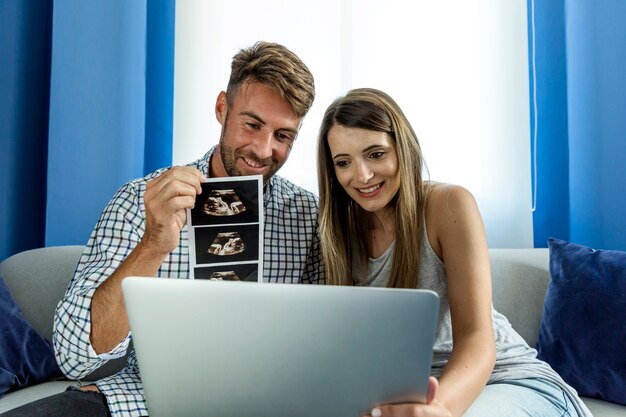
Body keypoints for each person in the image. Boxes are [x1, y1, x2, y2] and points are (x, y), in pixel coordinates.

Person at [3, 41, 324, 417]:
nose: (263, 149)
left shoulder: (307, 215)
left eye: (283, 135)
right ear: (222, 108)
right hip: (143, 401)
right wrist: (153, 244)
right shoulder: (140, 199)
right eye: (252, 124)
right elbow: (76, 358)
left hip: (267, 402)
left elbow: (323, 339)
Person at [316, 88, 592, 417]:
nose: (361, 175)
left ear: (402, 149)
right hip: (415, 396)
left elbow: (477, 338)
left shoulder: (448, 204)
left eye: (376, 154)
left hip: (506, 381)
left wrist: (439, 409)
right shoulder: (336, 233)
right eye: (344, 162)